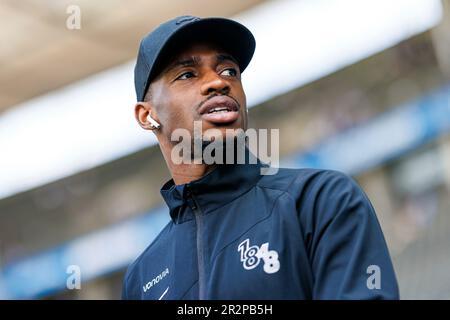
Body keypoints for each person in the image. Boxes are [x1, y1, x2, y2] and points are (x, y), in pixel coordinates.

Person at [122, 15, 399, 300]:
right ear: (148, 115)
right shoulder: (141, 278)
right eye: (187, 75)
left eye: (229, 71)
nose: (217, 82)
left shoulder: (321, 200)